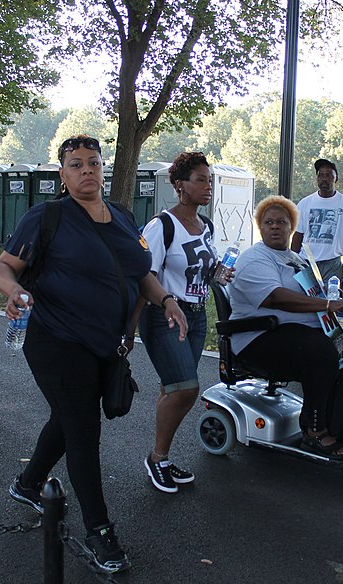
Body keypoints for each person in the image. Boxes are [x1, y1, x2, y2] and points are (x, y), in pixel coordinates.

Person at [0, 135, 187, 574]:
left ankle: (27, 484)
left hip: (105, 342)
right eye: (76, 164)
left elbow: (141, 275)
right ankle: (99, 531)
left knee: (69, 416)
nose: (86, 171)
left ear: (103, 169)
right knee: (82, 425)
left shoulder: (121, 216)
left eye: (93, 163)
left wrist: (166, 301)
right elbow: (3, 267)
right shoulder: (48, 217)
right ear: (62, 175)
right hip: (54, 338)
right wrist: (16, 291)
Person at [230, 195, 343, 457]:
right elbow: (276, 297)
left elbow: (315, 294)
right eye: (268, 222)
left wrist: (340, 303)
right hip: (257, 335)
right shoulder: (254, 259)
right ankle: (314, 431)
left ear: (293, 227)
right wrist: (326, 306)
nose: (275, 227)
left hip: (291, 331)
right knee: (320, 352)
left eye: (282, 221)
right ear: (261, 227)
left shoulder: (296, 259)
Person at [135, 151, 226, 493]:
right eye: (200, 179)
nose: (208, 186)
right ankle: (157, 458)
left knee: (172, 387)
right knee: (186, 388)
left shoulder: (207, 226)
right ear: (179, 185)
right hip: (164, 315)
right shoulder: (162, 225)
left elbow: (204, 267)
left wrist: (218, 272)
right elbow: (145, 274)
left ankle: (163, 457)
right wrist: (130, 331)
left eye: (210, 180)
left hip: (197, 315)